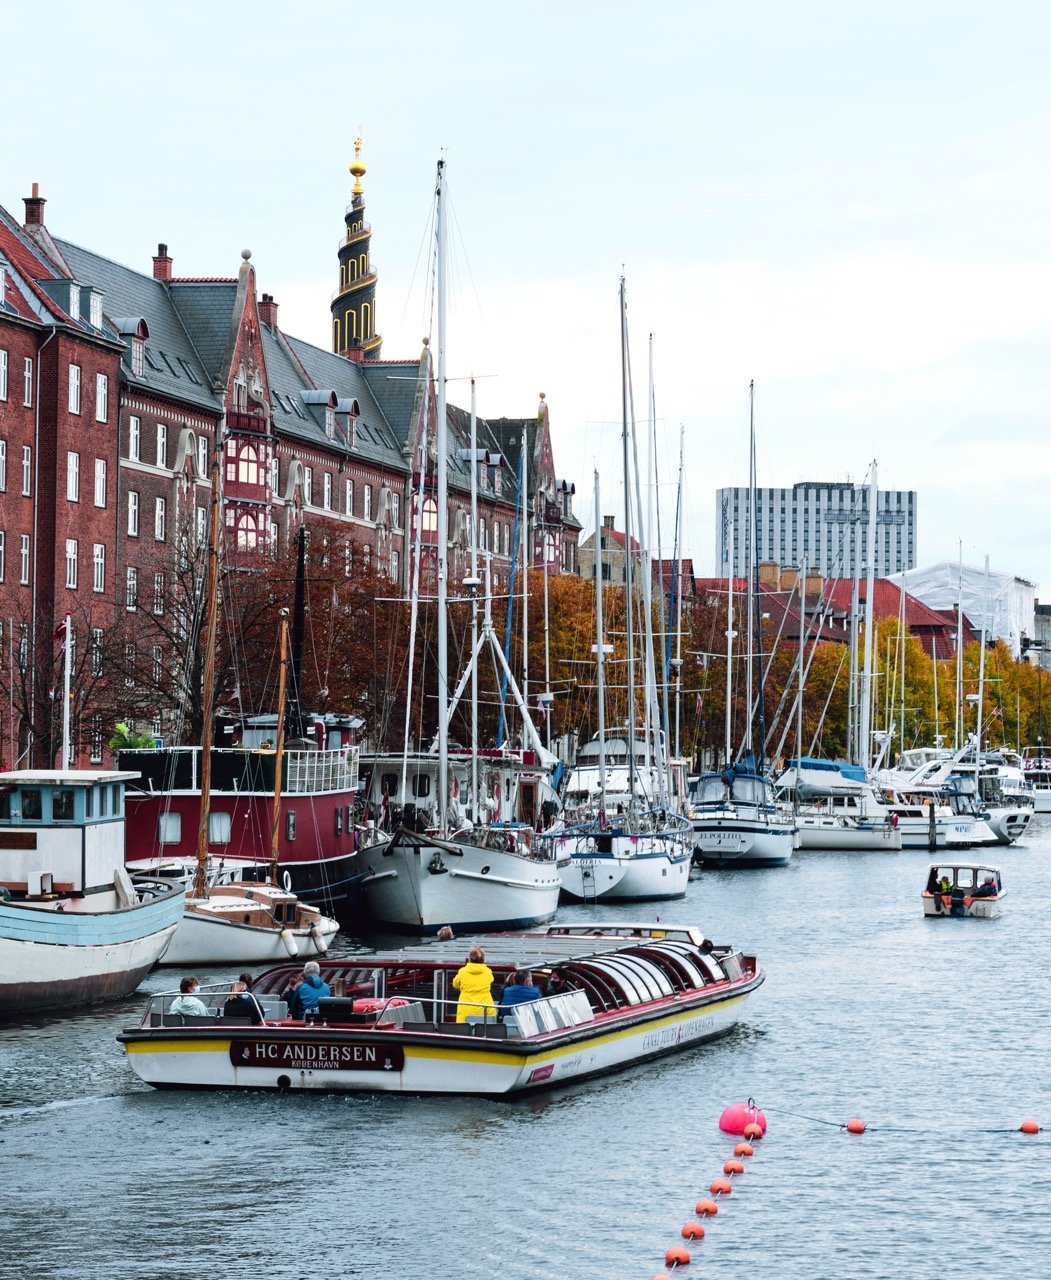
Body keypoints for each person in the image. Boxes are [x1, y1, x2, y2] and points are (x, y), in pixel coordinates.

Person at [452, 946, 496, 1023]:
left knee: (465, 1031)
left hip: (466, 1008)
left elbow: (455, 984)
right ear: (483, 959)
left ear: (470, 958)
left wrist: (466, 966)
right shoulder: (488, 972)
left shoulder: (462, 972)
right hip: (484, 1008)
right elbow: (491, 981)